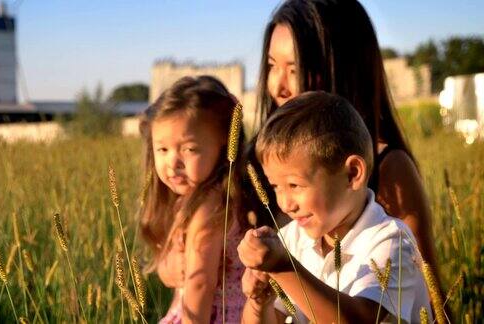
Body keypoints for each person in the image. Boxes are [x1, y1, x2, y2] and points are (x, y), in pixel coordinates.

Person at [250, 0, 440, 293]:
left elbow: (432, 298)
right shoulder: (258, 163)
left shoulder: (390, 167)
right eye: (273, 66)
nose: (277, 86)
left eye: (294, 68)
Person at [238, 91, 432, 323]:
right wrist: (259, 303)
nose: (285, 204)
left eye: (294, 185)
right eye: (276, 187)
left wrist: (284, 268)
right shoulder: (291, 239)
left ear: (352, 174)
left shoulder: (392, 240)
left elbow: (359, 320)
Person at [139, 76, 247, 323]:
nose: (173, 163)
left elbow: (200, 284)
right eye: (162, 149)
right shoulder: (192, 201)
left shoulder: (210, 207)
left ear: (223, 143)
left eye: (188, 149)